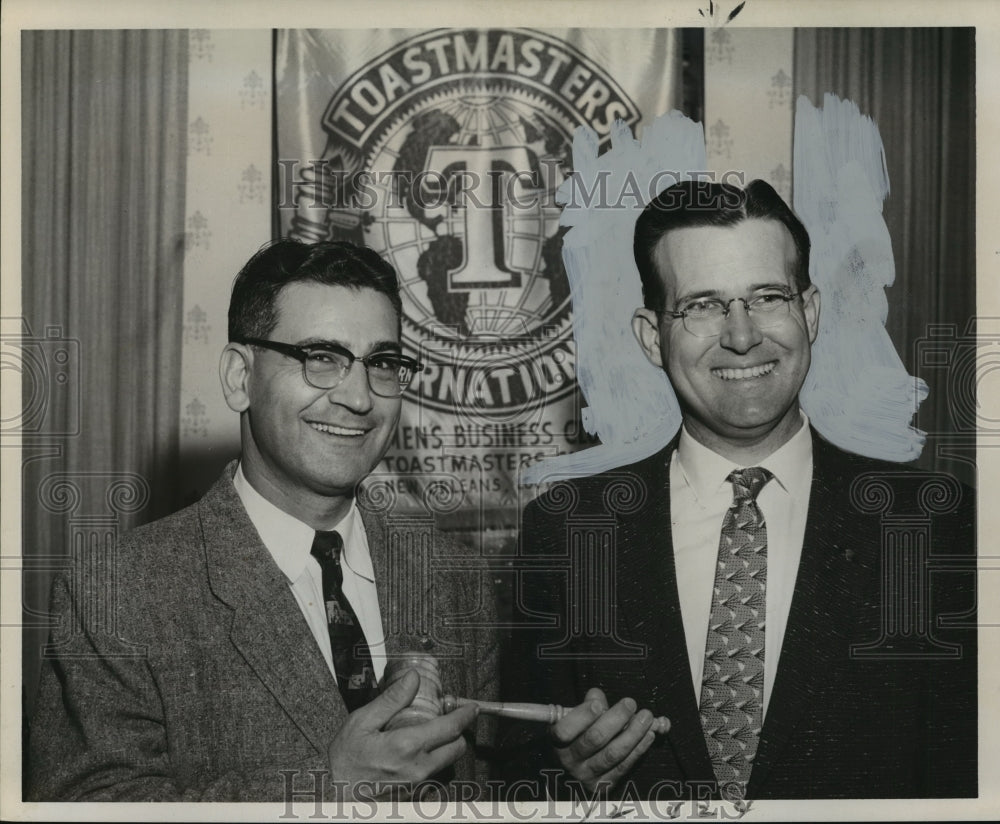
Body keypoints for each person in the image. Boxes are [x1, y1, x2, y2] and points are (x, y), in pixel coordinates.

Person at [499, 180, 976, 800]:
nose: (743, 335)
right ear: (651, 337)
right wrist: (567, 779)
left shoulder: (939, 526)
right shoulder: (565, 531)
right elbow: (514, 778)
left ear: (810, 312)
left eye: (768, 297)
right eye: (702, 306)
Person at [27, 240, 498, 802]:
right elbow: (90, 807)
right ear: (238, 377)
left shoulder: (457, 577)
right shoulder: (115, 592)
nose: (358, 397)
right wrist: (326, 787)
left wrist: (573, 778)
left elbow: (491, 788)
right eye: (321, 358)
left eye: (382, 363)